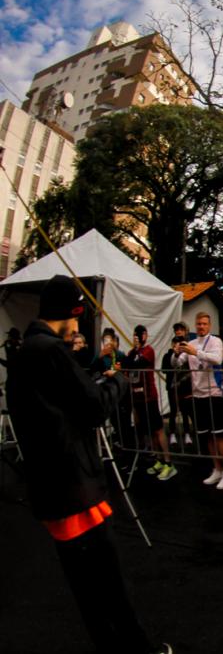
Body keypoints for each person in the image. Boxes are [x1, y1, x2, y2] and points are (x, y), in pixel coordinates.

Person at [6, 275, 171, 654]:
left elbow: (59, 405)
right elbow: (93, 407)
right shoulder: (51, 350)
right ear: (70, 313)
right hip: (75, 487)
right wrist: (119, 383)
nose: (79, 328)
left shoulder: (25, 354)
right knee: (109, 585)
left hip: (51, 490)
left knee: (86, 591)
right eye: (78, 319)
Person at [173, 312, 223, 490]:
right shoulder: (190, 343)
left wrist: (197, 353)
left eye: (204, 324)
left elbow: (217, 359)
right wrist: (176, 353)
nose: (201, 326)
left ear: (209, 325)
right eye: (198, 324)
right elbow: (177, 363)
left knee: (219, 434)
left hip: (214, 393)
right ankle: (217, 469)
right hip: (198, 394)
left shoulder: (215, 341)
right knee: (207, 434)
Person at [122, 324, 175, 480]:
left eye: (142, 334)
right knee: (150, 431)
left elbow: (139, 364)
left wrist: (136, 351)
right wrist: (133, 351)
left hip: (149, 396)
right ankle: (158, 459)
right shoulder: (132, 352)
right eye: (136, 335)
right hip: (137, 397)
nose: (139, 337)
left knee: (158, 429)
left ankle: (168, 462)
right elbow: (126, 364)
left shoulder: (148, 350)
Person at [161, 323, 194, 448]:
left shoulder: (189, 348)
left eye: (181, 330)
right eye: (177, 330)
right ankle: (173, 434)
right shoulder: (168, 354)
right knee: (173, 411)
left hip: (186, 386)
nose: (179, 332)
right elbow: (164, 369)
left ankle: (187, 434)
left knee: (186, 412)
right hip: (172, 387)